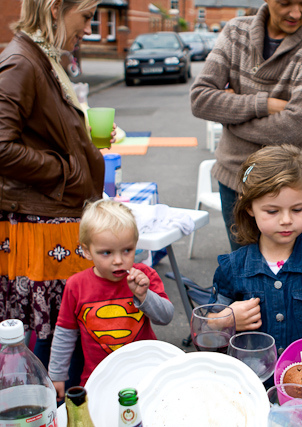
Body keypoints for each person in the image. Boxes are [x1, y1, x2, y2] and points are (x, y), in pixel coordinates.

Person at [0, 0, 115, 389]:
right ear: (53, 8)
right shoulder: (22, 61)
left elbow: (46, 132)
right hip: (41, 231)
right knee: (56, 348)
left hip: (56, 222)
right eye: (85, 15)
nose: (90, 25)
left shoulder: (42, 58)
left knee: (61, 343)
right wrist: (68, 169)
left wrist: (84, 142)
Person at [190, 0, 302, 251]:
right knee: (243, 266)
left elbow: (292, 127)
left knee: (286, 272)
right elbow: (200, 99)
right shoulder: (236, 32)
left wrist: (232, 120)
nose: (296, 12)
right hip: (235, 176)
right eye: (286, 3)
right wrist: (263, 104)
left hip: (288, 184)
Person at [208, 145, 302, 360]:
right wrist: (226, 320)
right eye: (272, 211)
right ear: (249, 207)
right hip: (253, 382)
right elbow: (207, 325)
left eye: (297, 209)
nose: (286, 219)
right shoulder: (232, 267)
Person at [48, 200, 174, 399]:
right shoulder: (76, 285)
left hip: (146, 375)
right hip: (98, 379)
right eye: (106, 253)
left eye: (127, 250)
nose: (118, 260)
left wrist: (143, 295)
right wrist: (56, 376)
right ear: (87, 250)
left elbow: (166, 317)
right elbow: (65, 334)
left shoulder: (144, 276)